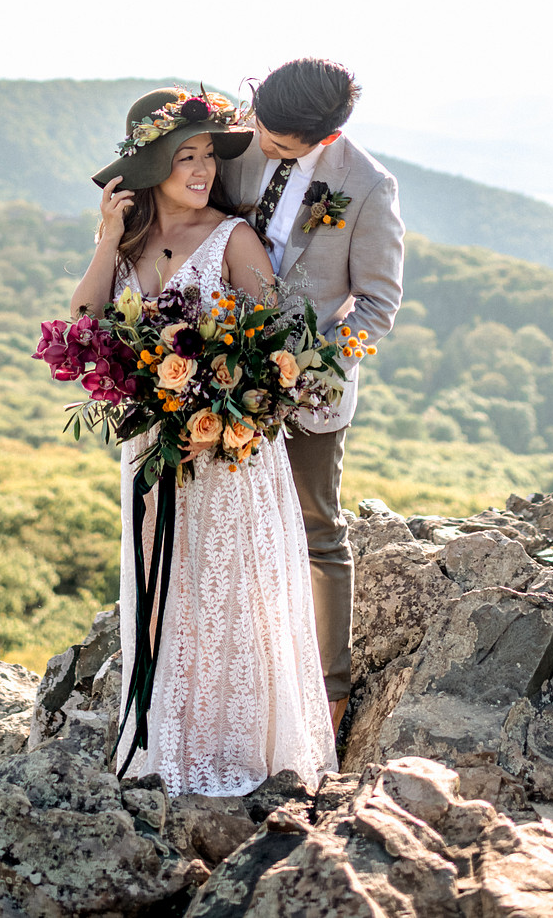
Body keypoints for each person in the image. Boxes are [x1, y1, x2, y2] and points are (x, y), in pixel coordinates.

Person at [72, 87, 336, 797]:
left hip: (227, 454)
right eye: (183, 157)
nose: (201, 170)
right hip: (150, 450)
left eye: (207, 157)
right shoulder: (126, 244)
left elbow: (276, 351)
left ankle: (244, 751)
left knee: (232, 596)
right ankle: (167, 747)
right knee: (165, 599)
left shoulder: (234, 237)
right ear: (151, 166)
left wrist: (216, 410)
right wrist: (105, 239)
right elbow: (83, 324)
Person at [221, 58, 405, 738]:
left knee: (316, 529)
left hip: (310, 393)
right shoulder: (237, 140)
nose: (261, 143)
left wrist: (318, 365)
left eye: (279, 142)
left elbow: (378, 306)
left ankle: (330, 684)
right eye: (260, 125)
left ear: (323, 139)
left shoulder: (366, 186)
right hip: (216, 373)